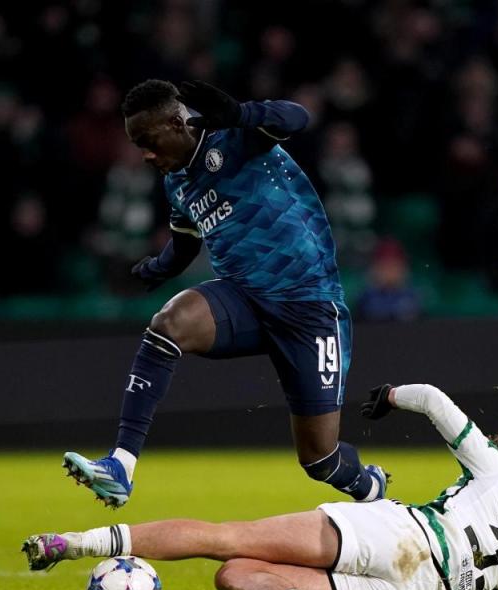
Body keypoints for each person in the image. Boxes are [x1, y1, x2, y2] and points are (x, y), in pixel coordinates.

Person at [62, 79, 386, 508]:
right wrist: (156, 268)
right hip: (245, 301)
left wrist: (241, 113)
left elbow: (298, 117)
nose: (145, 154)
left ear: (177, 123)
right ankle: (121, 465)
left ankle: (371, 488)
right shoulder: (177, 181)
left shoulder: (236, 139)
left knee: (319, 458)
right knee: (169, 324)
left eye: (148, 140)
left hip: (309, 308)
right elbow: (185, 242)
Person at [25, 383, 498, 590]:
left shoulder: (497, 470)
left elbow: (435, 401)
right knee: (233, 575)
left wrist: (391, 396)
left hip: (405, 537)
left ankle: (73, 543)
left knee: (226, 539)